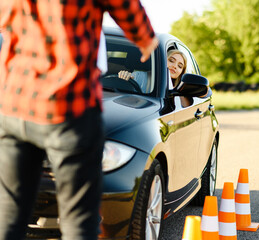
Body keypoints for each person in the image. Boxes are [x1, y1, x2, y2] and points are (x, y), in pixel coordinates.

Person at [0, 0, 158, 239]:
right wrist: (145, 39)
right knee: (79, 220)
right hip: (67, 105)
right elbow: (125, 6)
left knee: (9, 214)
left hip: (14, 102)